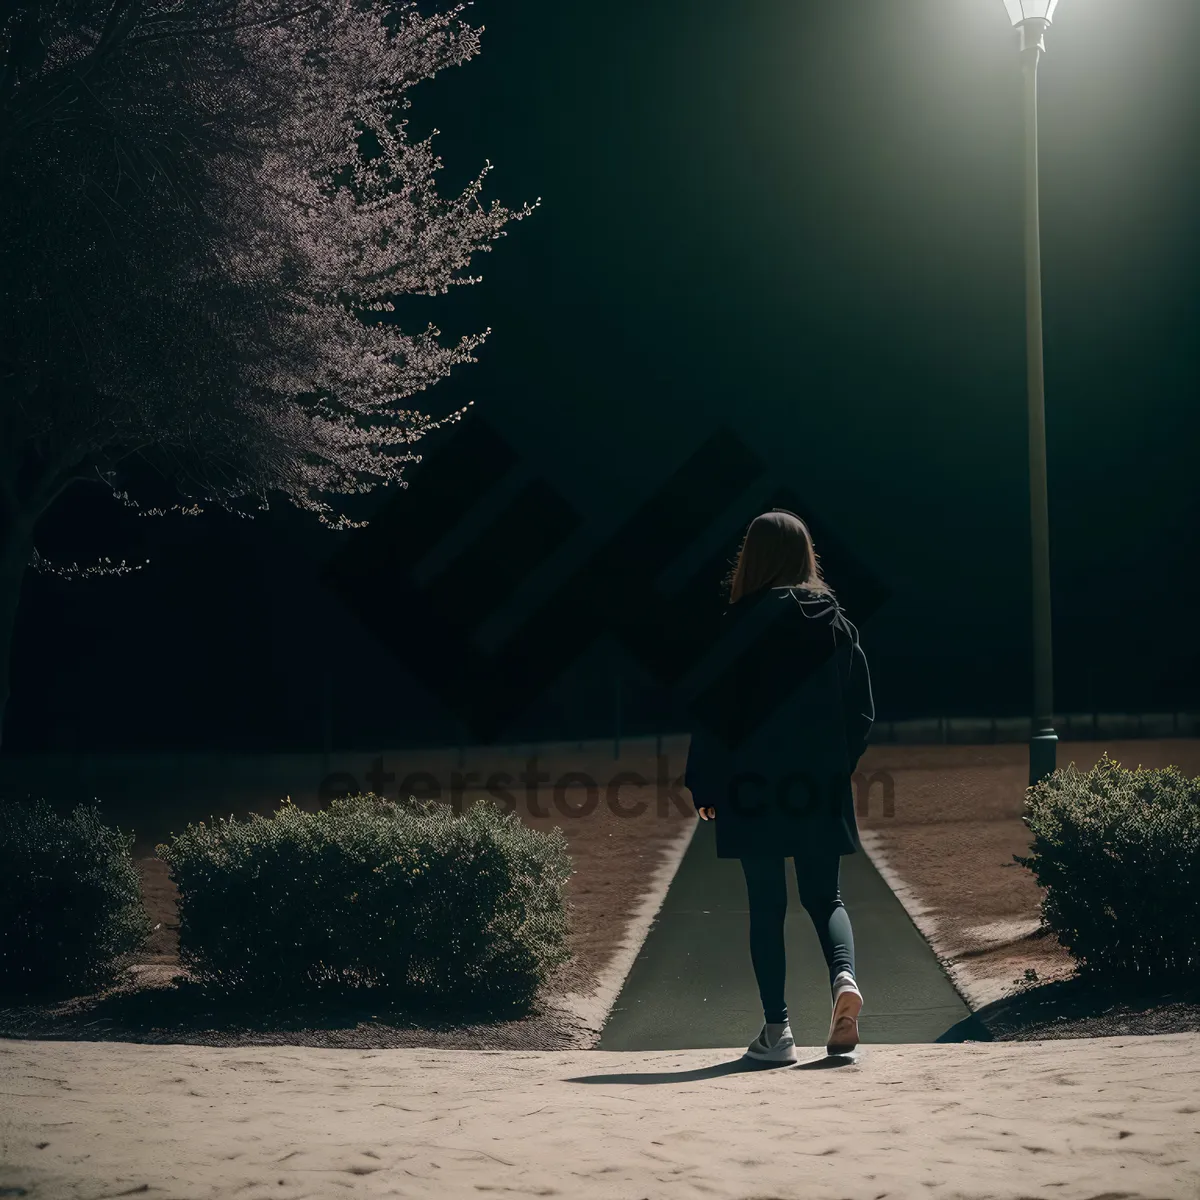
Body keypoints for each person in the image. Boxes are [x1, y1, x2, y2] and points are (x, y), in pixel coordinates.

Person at [683, 509, 875, 1063]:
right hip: (817, 782)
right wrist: (839, 765)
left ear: (753, 557)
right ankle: (844, 982)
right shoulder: (835, 621)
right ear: (804, 555)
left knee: (765, 906)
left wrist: (705, 787)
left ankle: (778, 1033)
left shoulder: (735, 625)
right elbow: (861, 710)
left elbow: (714, 717)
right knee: (826, 897)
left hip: (751, 786)